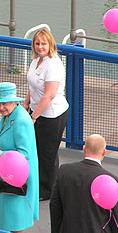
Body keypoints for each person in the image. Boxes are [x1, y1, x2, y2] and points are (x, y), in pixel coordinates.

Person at [50, 134, 118, 233]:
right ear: (104, 152)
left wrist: (58, 231)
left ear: (84, 149)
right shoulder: (111, 179)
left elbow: (55, 204)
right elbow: (116, 215)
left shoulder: (65, 171)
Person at [0, 82, 39, 233]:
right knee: (13, 210)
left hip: (19, 174)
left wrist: (3, 155)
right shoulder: (10, 116)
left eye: (4, 103)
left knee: (16, 212)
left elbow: (25, 153)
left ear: (14, 101)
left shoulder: (21, 120)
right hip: (10, 171)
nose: (1, 107)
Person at [23, 28, 70, 201]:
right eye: (37, 43)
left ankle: (48, 190)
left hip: (52, 115)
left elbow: (49, 95)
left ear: (50, 44)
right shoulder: (36, 61)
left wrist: (33, 117)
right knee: (37, 150)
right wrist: (26, 103)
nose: (40, 47)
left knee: (47, 153)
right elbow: (32, 85)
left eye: (43, 43)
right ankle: (40, 183)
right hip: (37, 111)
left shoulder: (53, 64)